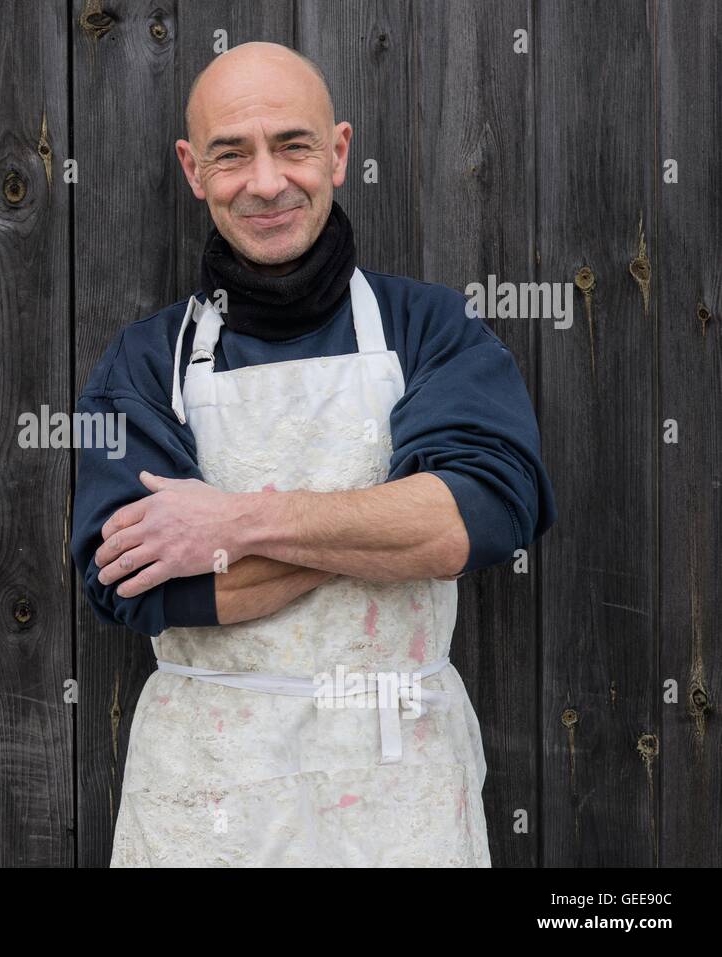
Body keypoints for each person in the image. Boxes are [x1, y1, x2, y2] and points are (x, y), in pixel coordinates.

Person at [70, 41, 556, 867]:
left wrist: (234, 521)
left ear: (337, 151)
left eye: (292, 145)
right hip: (207, 789)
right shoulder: (145, 364)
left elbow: (483, 514)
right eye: (231, 155)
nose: (265, 182)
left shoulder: (430, 329)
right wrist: (385, 521)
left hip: (400, 787)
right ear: (193, 170)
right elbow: (145, 585)